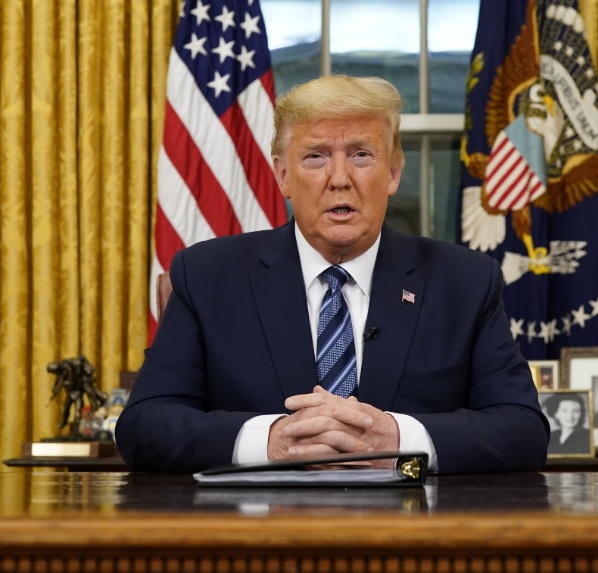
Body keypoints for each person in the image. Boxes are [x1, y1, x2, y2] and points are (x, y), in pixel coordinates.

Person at [114, 75, 550, 474]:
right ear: (283, 174)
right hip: (255, 541)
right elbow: (144, 426)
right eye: (315, 157)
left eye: (361, 154)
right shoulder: (207, 277)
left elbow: (523, 430)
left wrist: (397, 439)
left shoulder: (465, 282)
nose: (339, 179)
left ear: (394, 173)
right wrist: (273, 441)